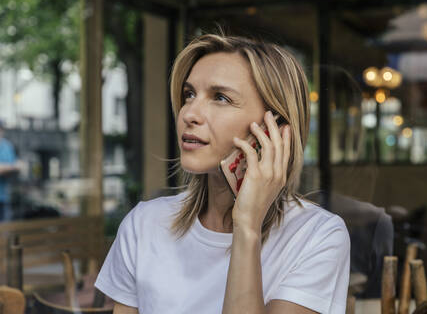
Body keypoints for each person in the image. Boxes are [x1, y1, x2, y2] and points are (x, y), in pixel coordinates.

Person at [95, 33, 350, 314]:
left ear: (274, 128)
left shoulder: (318, 236)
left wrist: (247, 227)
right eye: (189, 94)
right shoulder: (143, 224)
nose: (189, 113)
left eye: (220, 97)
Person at [0, 120, 19, 221]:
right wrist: (10, 167)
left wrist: (6, 168)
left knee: (5, 231)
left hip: (3, 197)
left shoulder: (7, 146)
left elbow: (16, 168)